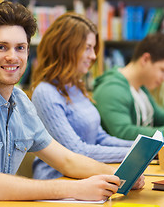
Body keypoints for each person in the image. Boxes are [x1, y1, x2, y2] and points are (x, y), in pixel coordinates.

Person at [0, 1, 145, 207]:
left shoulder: (20, 103)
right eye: (1, 47)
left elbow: (67, 160)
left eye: (20, 47)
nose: (12, 57)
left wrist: (120, 176)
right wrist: (75, 189)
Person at [31, 13, 136, 180]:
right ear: (66, 48)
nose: (93, 56)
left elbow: (100, 138)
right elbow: (76, 151)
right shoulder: (45, 93)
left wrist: (141, 148)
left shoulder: (76, 87)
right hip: (57, 181)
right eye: (87, 48)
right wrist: (134, 154)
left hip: (84, 177)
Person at [93, 33, 164, 141]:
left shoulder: (141, 88)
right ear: (145, 59)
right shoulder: (111, 89)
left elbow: (163, 119)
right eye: (163, 70)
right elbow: (124, 132)